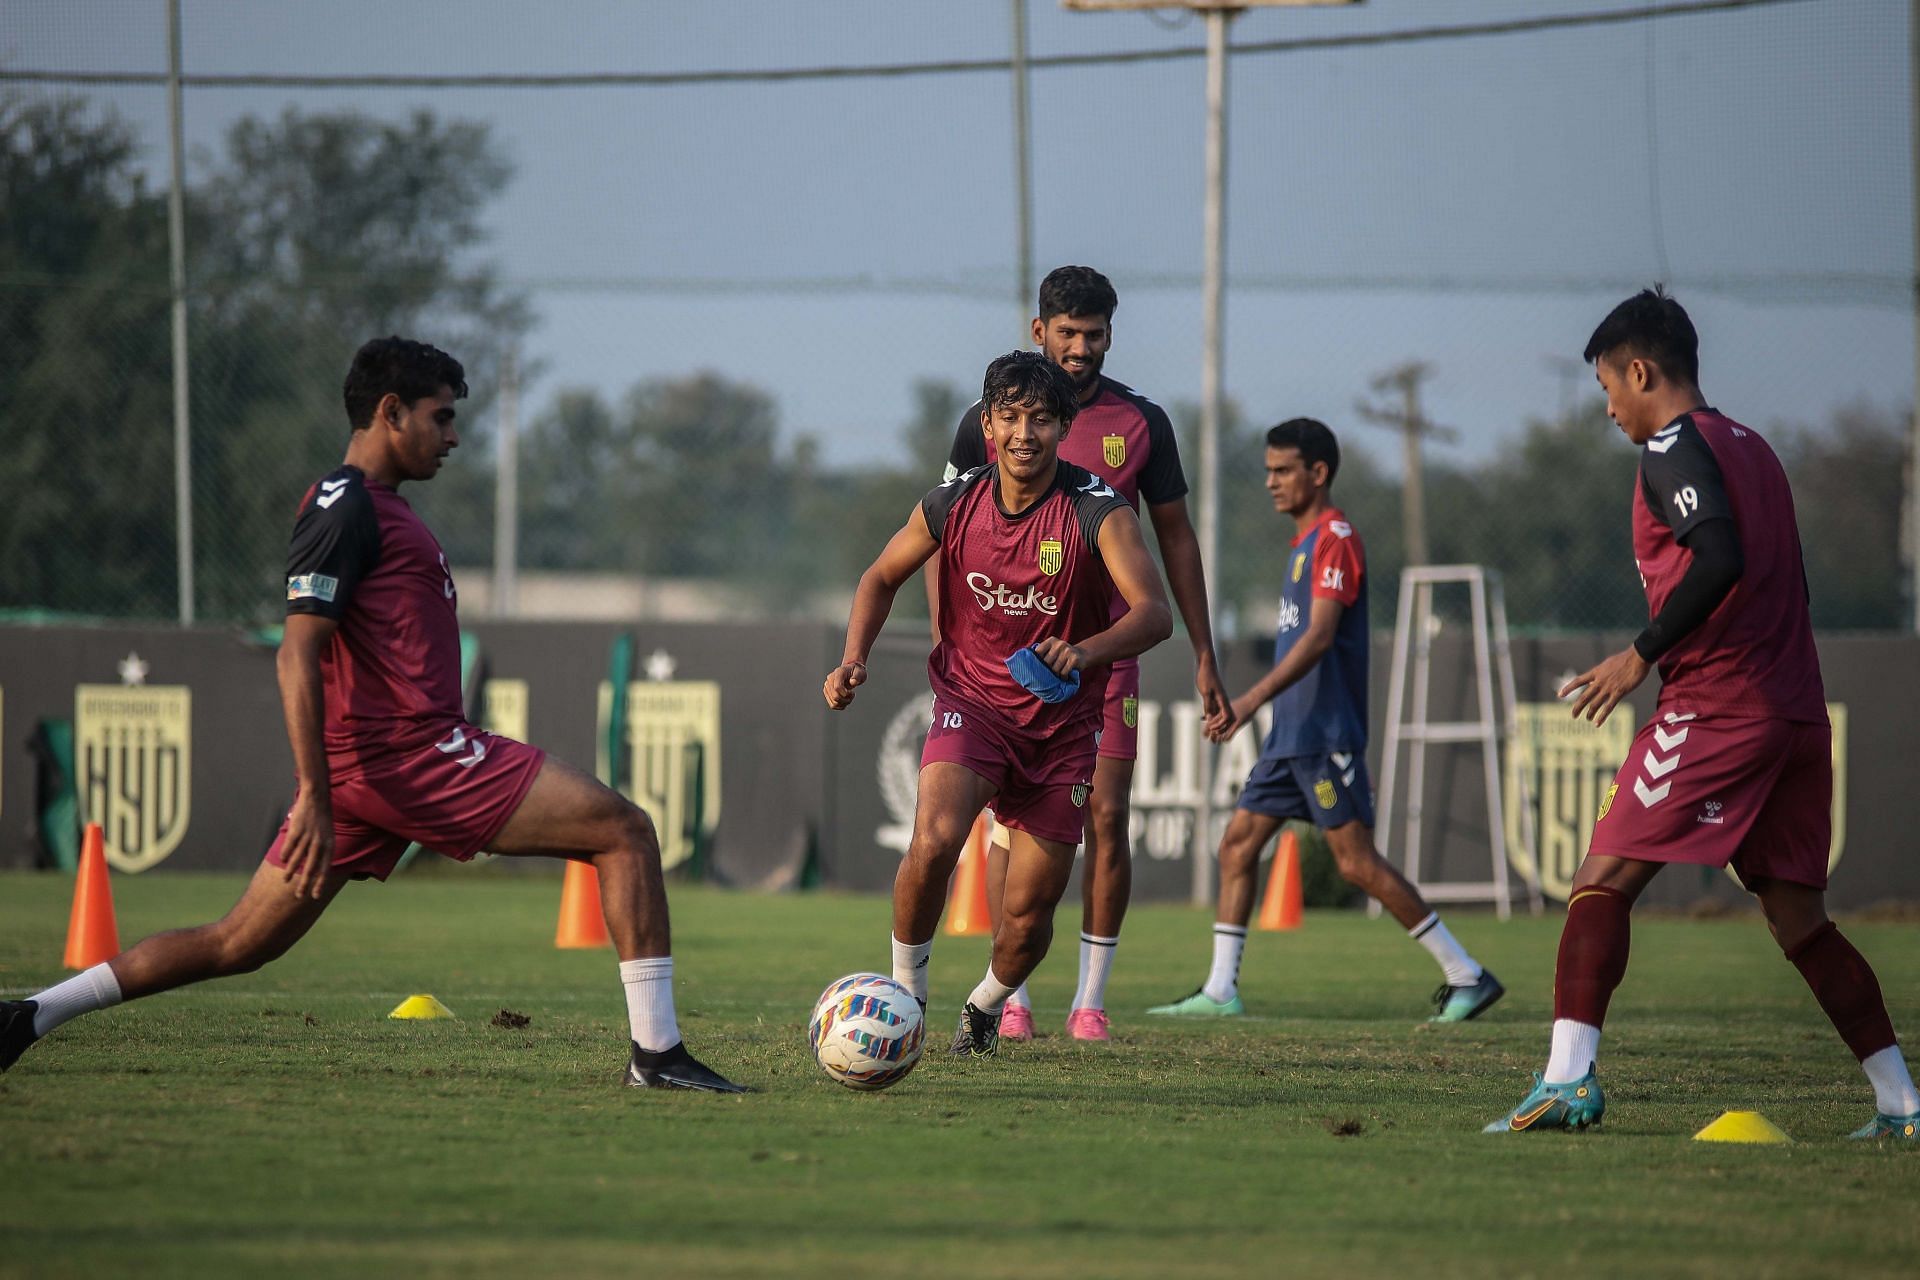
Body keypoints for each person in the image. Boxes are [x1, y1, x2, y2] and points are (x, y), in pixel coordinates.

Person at [0, 337, 743, 1093]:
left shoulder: (372, 506)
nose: (453, 436)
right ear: (391, 412)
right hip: (407, 756)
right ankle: (658, 1056)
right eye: (441, 416)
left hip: (367, 773)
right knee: (624, 831)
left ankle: (28, 1016)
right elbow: (296, 653)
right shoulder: (346, 504)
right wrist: (317, 795)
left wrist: (332, 792)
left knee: (237, 944)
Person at [1486, 289, 1916, 1135]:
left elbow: (1718, 556)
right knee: (1802, 923)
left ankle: (1568, 1080)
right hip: (1796, 712)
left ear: (1641, 371)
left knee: (1599, 881)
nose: (1609, 408)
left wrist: (1639, 653)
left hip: (1720, 706)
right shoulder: (1753, 447)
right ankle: (1903, 1102)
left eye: (1610, 386)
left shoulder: (1673, 446)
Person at [827, 350, 1172, 1058]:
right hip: (972, 706)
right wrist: (853, 657)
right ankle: (906, 1000)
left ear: (1063, 425)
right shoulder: (952, 504)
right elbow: (879, 577)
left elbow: (1154, 614)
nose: (1025, 434)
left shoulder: (1096, 511)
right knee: (933, 842)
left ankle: (987, 1005)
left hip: (1065, 730)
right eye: (1010, 417)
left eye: (1041, 419)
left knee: (1025, 920)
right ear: (987, 424)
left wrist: (1085, 650)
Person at [934, 266, 1231, 1043]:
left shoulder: (1142, 422)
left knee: (1108, 811)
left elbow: (1176, 542)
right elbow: (946, 533)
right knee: (1006, 825)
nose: (1080, 347)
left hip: (1104, 654)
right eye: (1066, 333)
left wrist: (1205, 652)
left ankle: (1091, 1000)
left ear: (1109, 334)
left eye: (1094, 334)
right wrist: (952, 639)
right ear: (1040, 331)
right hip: (1007, 655)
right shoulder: (987, 419)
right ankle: (1013, 996)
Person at [1148, 418, 1503, 1024]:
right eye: (1267, 471)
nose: (1271, 482)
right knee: (1237, 845)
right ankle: (1219, 990)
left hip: (1324, 736)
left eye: (1283, 470)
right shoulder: (1302, 546)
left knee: (1355, 862)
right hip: (1291, 739)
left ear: (1319, 473)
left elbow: (1318, 638)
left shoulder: (1337, 536)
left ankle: (1466, 974)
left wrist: (1249, 701)